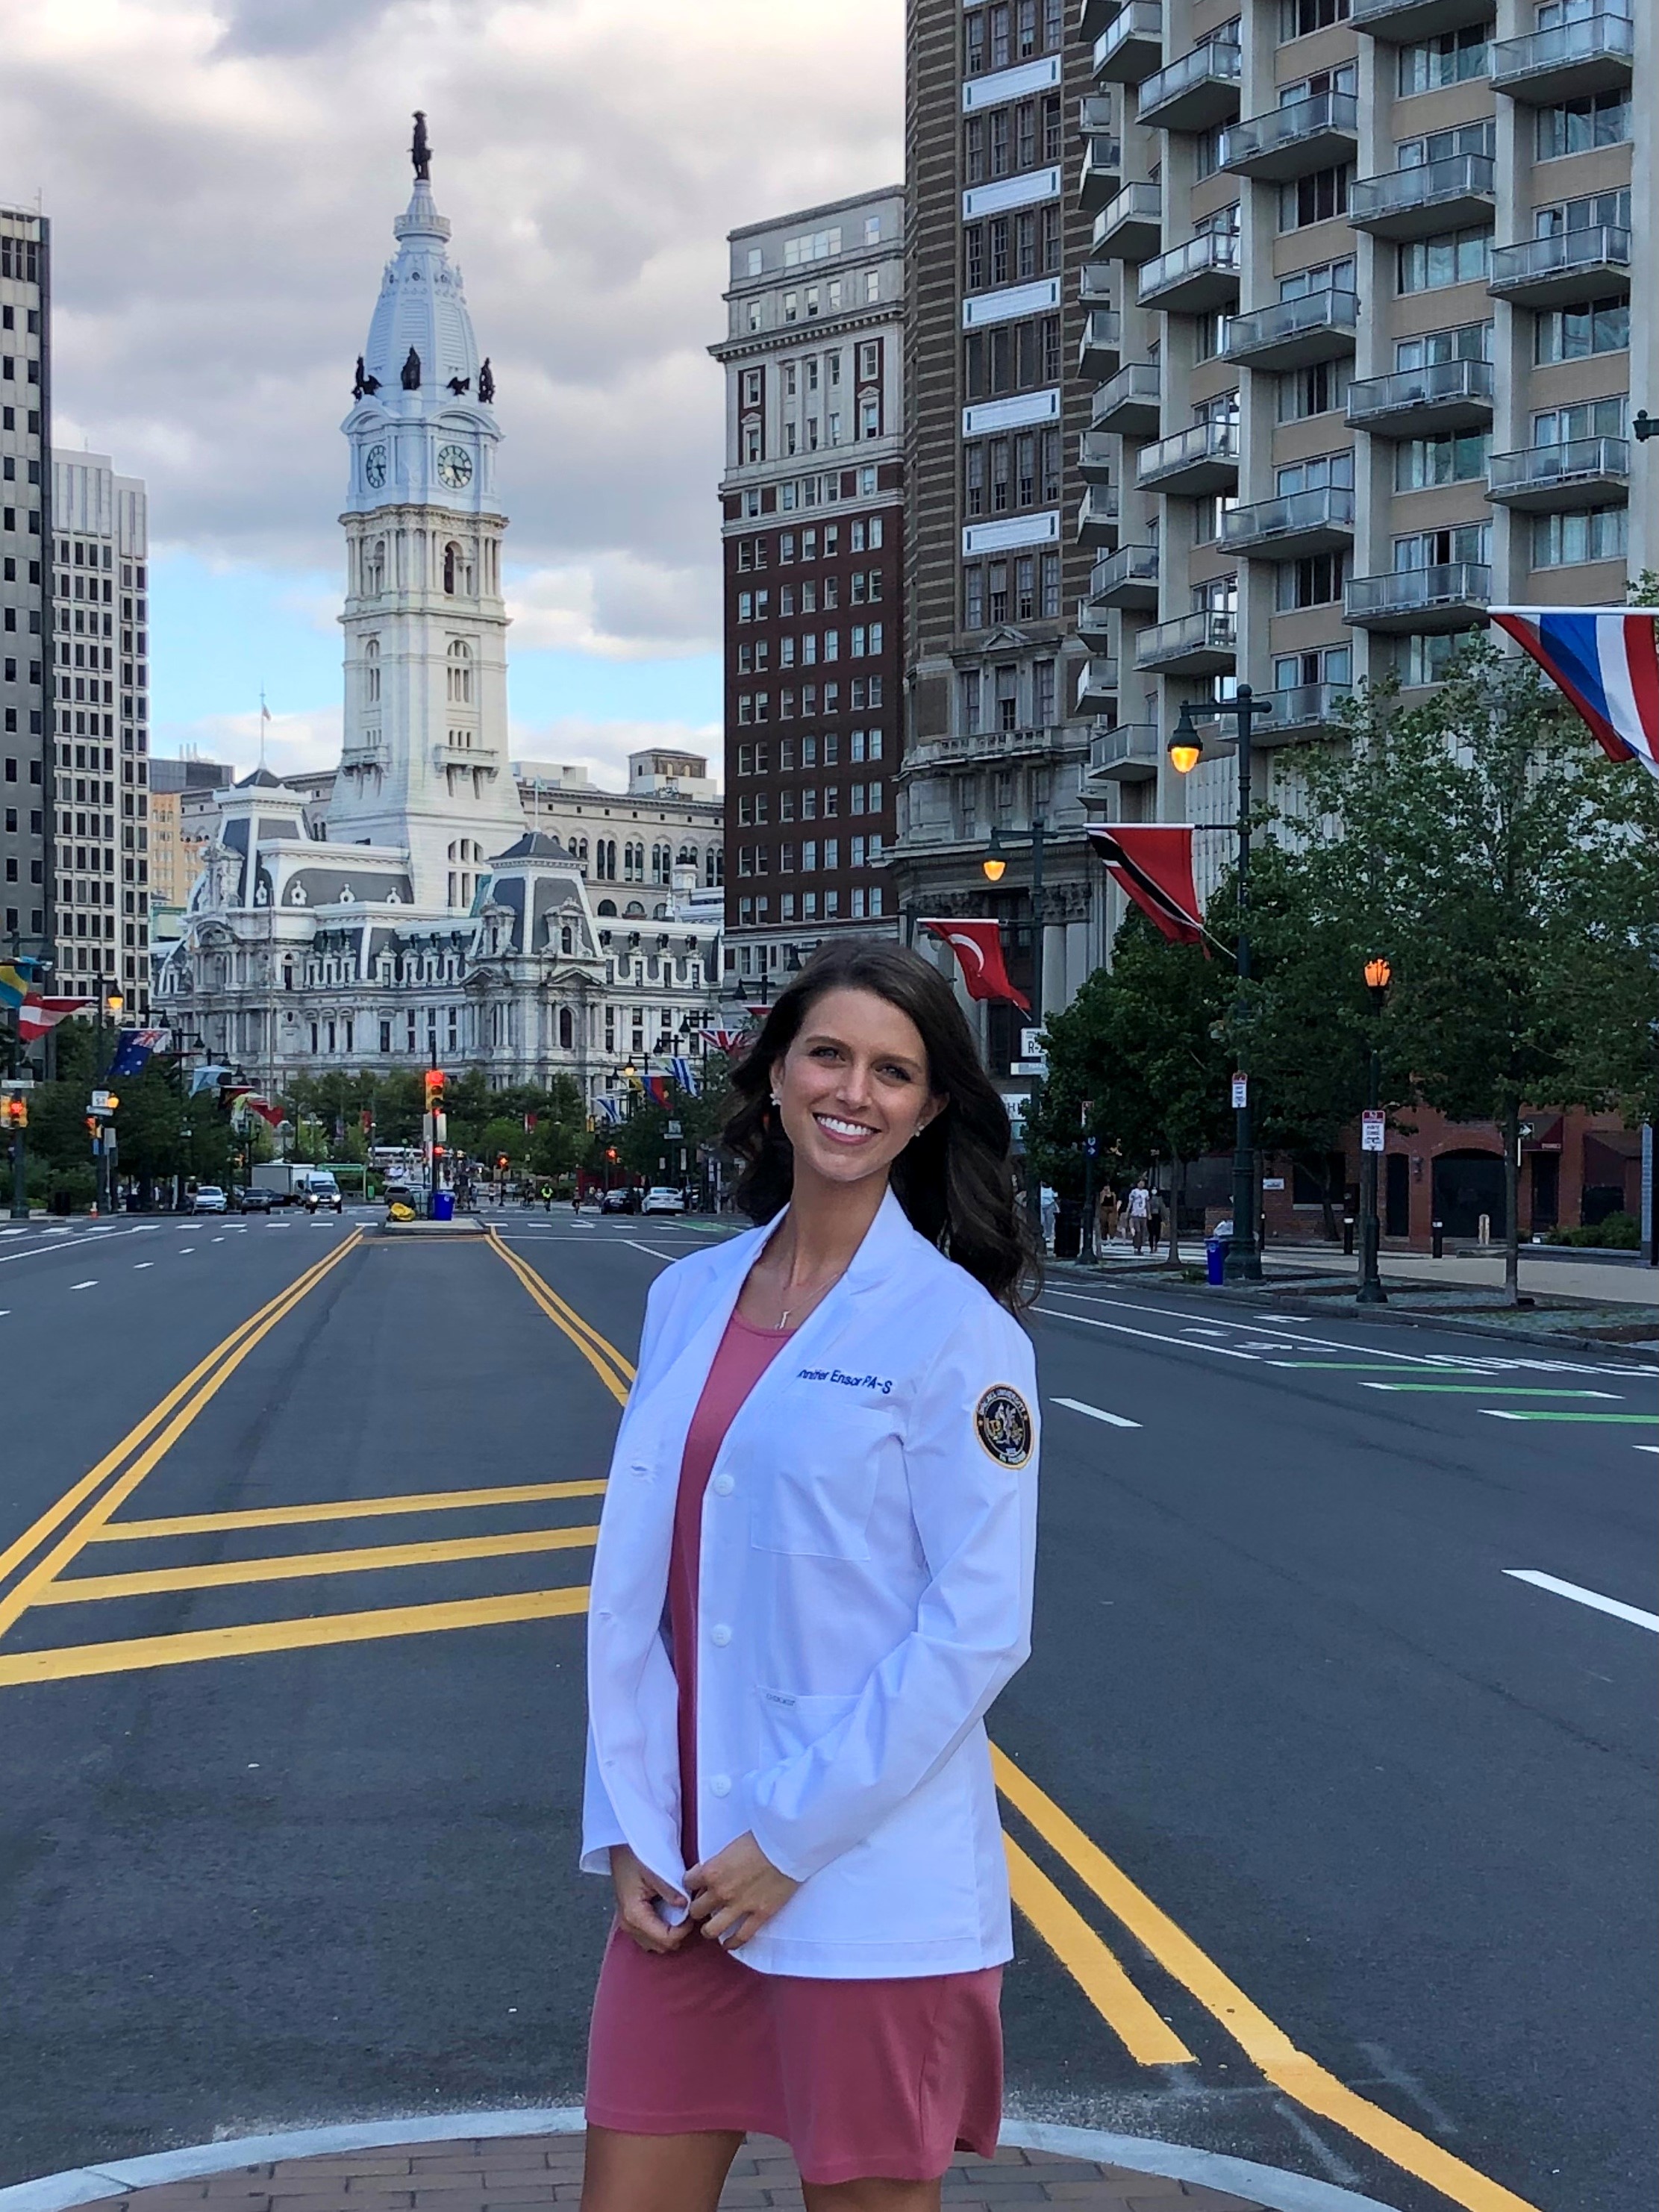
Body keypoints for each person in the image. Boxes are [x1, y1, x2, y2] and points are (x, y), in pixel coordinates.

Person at [581, 940, 1040, 2212]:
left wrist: (785, 1840)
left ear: (929, 1105)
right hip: (684, 1879)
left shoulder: (959, 1333)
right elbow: (643, 1598)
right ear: (776, 1071)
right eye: (828, 1054)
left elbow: (976, 1628)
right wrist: (624, 1815)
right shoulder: (686, 1296)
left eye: (893, 1070)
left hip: (859, 1882)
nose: (855, 1091)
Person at [1125, 1175, 1151, 1255]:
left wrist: (1149, 1213)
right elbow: (1130, 1202)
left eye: (1143, 1183)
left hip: (1143, 1214)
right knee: (1138, 1231)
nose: (1141, 1184)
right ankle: (1136, 1246)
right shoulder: (1134, 1192)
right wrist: (1127, 1211)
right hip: (1135, 1214)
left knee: (1143, 1231)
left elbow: (1147, 1203)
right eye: (1140, 1183)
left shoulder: (1146, 1192)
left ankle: (1140, 1247)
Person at [1039, 1181, 1057, 1255]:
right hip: (1042, 1206)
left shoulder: (1052, 1189)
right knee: (1042, 1221)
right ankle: (1044, 1235)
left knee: (1050, 1221)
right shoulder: (1040, 1189)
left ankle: (1049, 1235)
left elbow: (1056, 1198)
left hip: (1050, 1206)